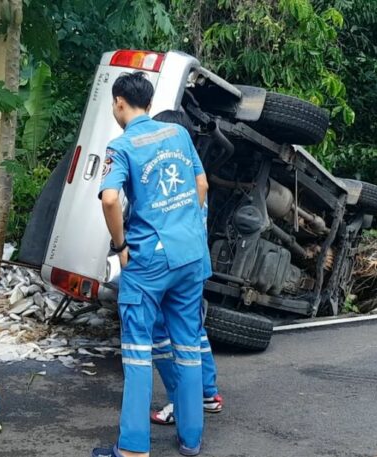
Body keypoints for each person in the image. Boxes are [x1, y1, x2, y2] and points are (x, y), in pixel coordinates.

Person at [92, 73, 211, 457]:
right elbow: (203, 185)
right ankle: (191, 440)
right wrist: (187, 225)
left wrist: (120, 244)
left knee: (138, 353)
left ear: (120, 102)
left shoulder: (122, 146)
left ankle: (132, 448)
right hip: (190, 255)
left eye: (114, 104)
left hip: (149, 261)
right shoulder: (177, 135)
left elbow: (110, 199)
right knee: (188, 347)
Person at [148, 110, 223, 426]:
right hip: (195, 262)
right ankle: (208, 394)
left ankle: (182, 402)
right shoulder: (193, 169)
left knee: (161, 333)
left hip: (172, 263)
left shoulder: (170, 177)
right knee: (192, 330)